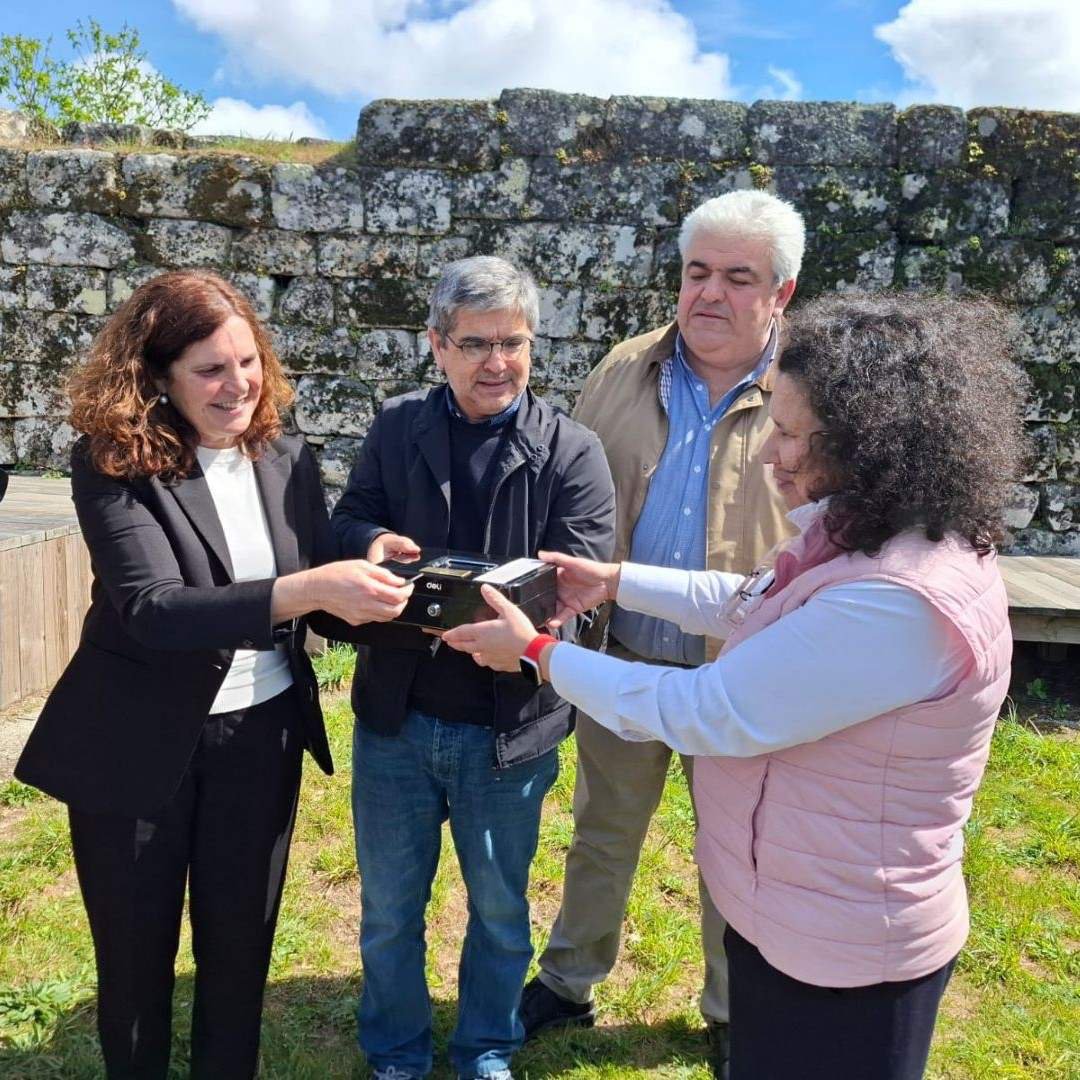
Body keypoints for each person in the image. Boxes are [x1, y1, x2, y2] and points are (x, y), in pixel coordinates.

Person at [443, 292, 1026, 1080]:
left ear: (868, 444)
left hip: (846, 946)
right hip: (803, 913)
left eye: (787, 433)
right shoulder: (873, 540)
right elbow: (749, 598)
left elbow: (704, 711)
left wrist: (540, 652)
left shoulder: (897, 601)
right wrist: (614, 579)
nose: (767, 452)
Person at [15, 270, 414, 1080]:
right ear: (157, 378)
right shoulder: (111, 463)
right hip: (133, 748)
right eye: (209, 369)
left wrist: (368, 579)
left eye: (248, 362)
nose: (237, 386)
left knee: (239, 953)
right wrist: (311, 586)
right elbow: (153, 609)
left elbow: (310, 607)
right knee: (135, 965)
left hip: (259, 742)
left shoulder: (286, 457)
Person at [518, 189, 806, 1069]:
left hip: (747, 669)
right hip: (624, 656)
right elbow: (564, 481)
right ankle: (569, 981)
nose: (709, 294)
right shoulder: (624, 370)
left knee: (742, 850)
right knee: (604, 829)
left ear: (782, 294)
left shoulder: (812, 390)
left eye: (737, 277)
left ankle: (732, 1009)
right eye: (696, 271)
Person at [330, 255, 616, 1080]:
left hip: (507, 726)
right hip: (398, 712)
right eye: (477, 343)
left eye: (515, 343)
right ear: (437, 347)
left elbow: (587, 582)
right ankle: (395, 1052)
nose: (498, 363)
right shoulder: (395, 428)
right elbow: (352, 517)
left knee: (497, 909)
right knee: (389, 910)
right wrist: (368, 544)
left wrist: (532, 629)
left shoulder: (572, 450)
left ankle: (487, 1045)